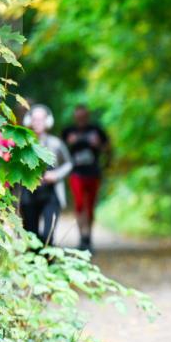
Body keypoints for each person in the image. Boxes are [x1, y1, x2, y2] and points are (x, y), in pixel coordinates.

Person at [19, 104, 72, 247]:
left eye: (41, 119)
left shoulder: (56, 143)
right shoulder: (23, 143)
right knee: (31, 236)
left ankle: (48, 258)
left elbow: (68, 163)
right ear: (29, 121)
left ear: (48, 122)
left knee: (48, 235)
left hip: (51, 195)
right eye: (35, 119)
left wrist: (56, 175)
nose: (37, 123)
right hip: (29, 195)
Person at [62, 105, 111, 252]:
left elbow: (108, 149)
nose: (81, 120)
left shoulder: (96, 130)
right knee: (79, 205)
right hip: (76, 173)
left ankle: (88, 237)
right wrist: (68, 143)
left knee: (90, 207)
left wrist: (99, 146)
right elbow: (58, 150)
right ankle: (82, 238)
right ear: (75, 117)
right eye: (78, 117)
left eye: (83, 117)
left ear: (87, 116)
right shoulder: (68, 131)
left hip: (93, 173)